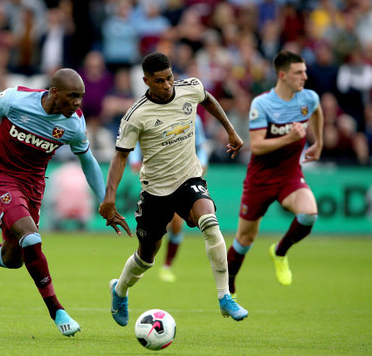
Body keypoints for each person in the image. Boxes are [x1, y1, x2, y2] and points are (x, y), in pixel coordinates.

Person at [0, 68, 125, 337]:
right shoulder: (18, 99)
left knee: (12, 259)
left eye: (80, 97)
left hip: (33, 187)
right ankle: (57, 310)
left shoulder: (74, 124)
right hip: (0, 177)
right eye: (73, 96)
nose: (78, 103)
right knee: (31, 238)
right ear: (55, 93)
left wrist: (107, 200)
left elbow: (88, 161)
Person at [99, 52, 248, 327]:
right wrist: (109, 199)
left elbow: (208, 99)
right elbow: (120, 156)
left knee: (210, 223)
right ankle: (119, 290)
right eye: (159, 81)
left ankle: (225, 296)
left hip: (189, 179)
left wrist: (229, 130)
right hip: (155, 191)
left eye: (169, 78)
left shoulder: (189, 88)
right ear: (146, 81)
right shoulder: (136, 115)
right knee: (146, 258)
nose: (167, 85)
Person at [227, 50, 324, 296]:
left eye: (304, 71)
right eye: (298, 72)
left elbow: (317, 110)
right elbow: (257, 145)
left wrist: (319, 142)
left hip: (290, 174)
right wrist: (290, 137)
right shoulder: (262, 104)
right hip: (260, 179)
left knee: (309, 214)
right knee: (245, 238)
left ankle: (279, 252)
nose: (305, 76)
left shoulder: (308, 98)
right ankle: (228, 287)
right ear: (282, 75)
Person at [129, 114, 209, 283]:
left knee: (177, 223)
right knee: (157, 227)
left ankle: (166, 266)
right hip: (157, 176)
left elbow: (200, 145)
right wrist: (135, 159)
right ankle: (145, 261)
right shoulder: (152, 111)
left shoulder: (192, 116)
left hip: (184, 175)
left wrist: (202, 161)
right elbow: (135, 139)